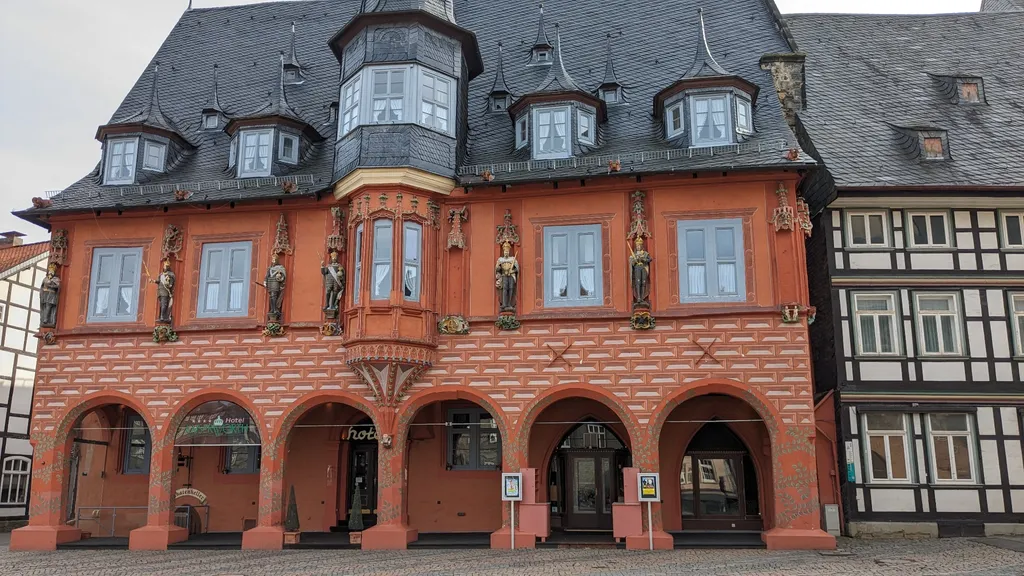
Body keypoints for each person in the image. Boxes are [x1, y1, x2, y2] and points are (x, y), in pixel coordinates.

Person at [494, 241, 519, 313]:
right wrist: (498, 267)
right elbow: (497, 269)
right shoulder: (500, 259)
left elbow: (517, 269)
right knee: (504, 289)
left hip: (511, 275)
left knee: (511, 288)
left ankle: (509, 303)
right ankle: (504, 304)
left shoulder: (512, 259)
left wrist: (512, 270)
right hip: (504, 275)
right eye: (505, 251)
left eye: (507, 251)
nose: (506, 253)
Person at [629, 236, 651, 309]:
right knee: (638, 282)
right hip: (637, 268)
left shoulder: (645, 253)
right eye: (637, 246)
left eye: (639, 245)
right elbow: (632, 263)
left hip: (643, 268)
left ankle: (643, 297)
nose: (638, 247)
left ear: (641, 246)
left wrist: (643, 259)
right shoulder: (634, 255)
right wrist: (633, 260)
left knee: (644, 282)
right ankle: (638, 297)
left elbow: (649, 259)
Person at [265, 253, 287, 321]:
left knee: (274, 295)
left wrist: (280, 276)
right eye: (273, 259)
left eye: (274, 259)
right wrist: (265, 281)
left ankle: (275, 309)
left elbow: (283, 275)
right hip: (270, 282)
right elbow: (267, 275)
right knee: (271, 296)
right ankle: (272, 308)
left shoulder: (280, 267)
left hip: (275, 282)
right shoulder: (270, 268)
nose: (273, 261)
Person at [153, 259, 175, 323]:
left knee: (164, 304)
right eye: (164, 266)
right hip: (160, 290)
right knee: (162, 304)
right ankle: (162, 316)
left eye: (165, 266)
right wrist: (153, 281)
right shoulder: (161, 274)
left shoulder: (170, 275)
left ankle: (163, 316)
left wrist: (169, 285)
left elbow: (171, 284)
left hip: (165, 291)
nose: (164, 267)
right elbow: (159, 281)